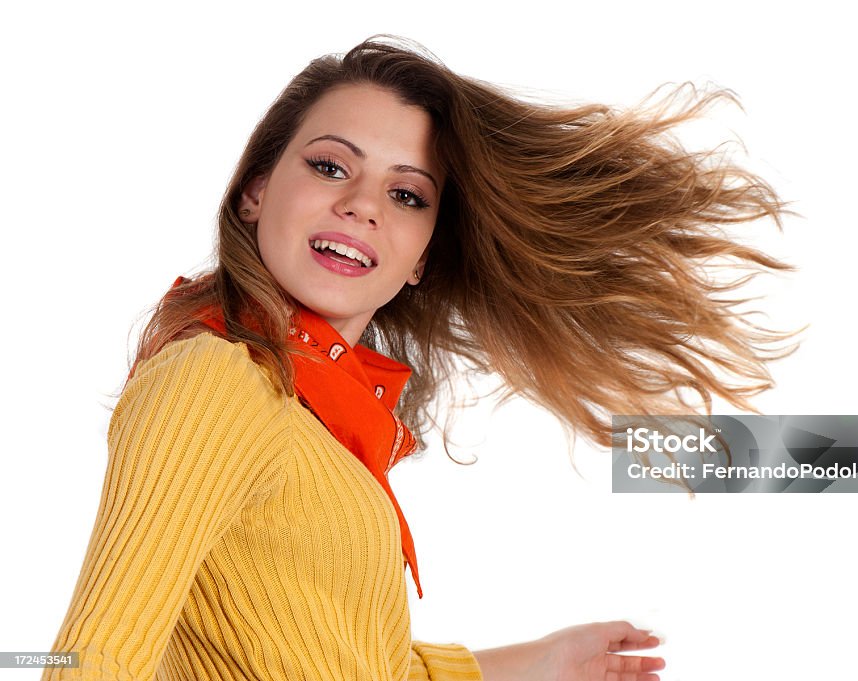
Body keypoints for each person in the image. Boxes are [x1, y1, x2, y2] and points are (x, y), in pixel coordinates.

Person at [44, 35, 795, 681]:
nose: (363, 205)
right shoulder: (214, 379)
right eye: (331, 167)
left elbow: (360, 663)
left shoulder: (313, 413)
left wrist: (540, 659)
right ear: (255, 190)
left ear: (419, 261)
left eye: (407, 195)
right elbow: (98, 658)